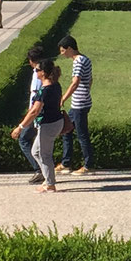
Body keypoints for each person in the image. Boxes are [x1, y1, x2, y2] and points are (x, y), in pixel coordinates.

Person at [12, 52, 65, 192]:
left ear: (43, 73)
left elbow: (34, 111)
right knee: (36, 152)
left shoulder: (45, 90)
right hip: (55, 122)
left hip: (49, 125)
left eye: (37, 70)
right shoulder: (56, 85)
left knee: (44, 154)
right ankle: (48, 179)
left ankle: (50, 184)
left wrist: (20, 127)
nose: (35, 71)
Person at [55, 33, 94, 175]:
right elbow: (90, 79)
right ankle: (66, 163)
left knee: (82, 134)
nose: (61, 53)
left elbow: (75, 82)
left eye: (63, 50)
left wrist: (63, 98)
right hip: (81, 101)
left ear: (70, 48)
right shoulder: (85, 59)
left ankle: (88, 165)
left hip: (79, 103)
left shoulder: (78, 61)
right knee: (67, 130)